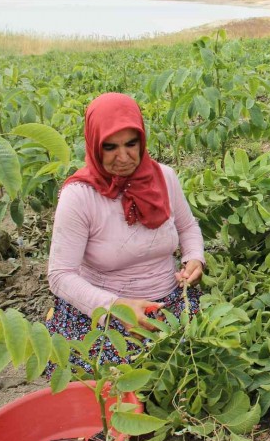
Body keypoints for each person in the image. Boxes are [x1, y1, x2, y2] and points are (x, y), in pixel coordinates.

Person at [46, 93, 205, 375]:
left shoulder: (164, 178)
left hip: (167, 302)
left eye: (131, 144)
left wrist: (194, 259)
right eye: (110, 147)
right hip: (102, 313)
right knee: (110, 380)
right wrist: (117, 307)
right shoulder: (79, 196)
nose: (123, 157)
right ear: (95, 146)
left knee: (190, 367)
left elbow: (187, 227)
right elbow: (60, 275)